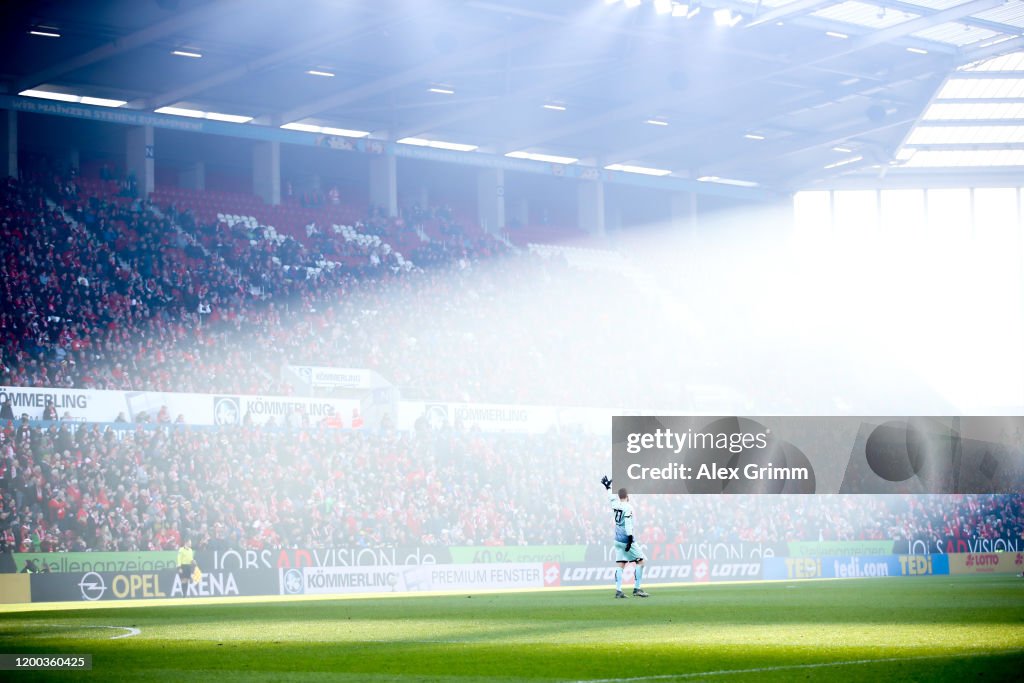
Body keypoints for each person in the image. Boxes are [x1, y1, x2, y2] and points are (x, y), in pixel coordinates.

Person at [601, 475, 648, 598]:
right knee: (641, 561)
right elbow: (628, 523)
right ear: (628, 496)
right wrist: (630, 538)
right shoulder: (628, 507)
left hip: (617, 539)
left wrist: (608, 487)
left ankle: (618, 591)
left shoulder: (615, 505)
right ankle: (637, 589)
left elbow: (611, 498)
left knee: (621, 564)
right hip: (626, 539)